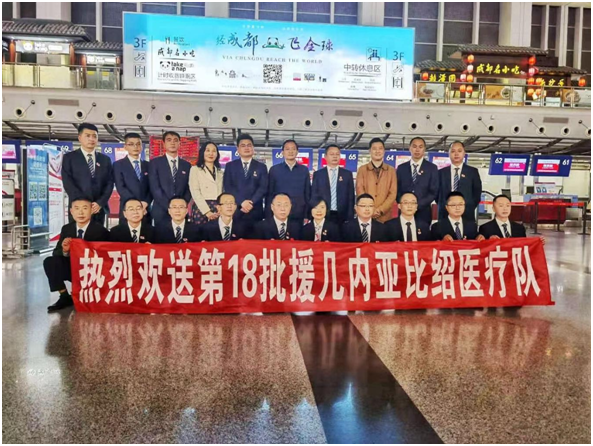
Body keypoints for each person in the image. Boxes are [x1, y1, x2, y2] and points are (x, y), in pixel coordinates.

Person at [43, 197, 110, 312]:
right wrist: (65, 250)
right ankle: (64, 296)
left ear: (92, 210)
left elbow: (107, 256)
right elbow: (56, 252)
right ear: (71, 211)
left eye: (85, 208)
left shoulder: (101, 231)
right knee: (50, 262)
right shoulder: (67, 229)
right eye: (77, 208)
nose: (81, 212)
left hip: (92, 271)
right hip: (72, 268)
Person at [62, 123, 114, 226]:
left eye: (94, 136)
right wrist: (84, 204)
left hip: (98, 209)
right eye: (88, 136)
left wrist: (100, 203)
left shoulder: (105, 160)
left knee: (98, 235)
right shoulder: (69, 158)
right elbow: (68, 182)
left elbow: (109, 183)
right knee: (78, 235)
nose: (91, 139)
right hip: (79, 209)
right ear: (79, 138)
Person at [222, 134, 268, 230]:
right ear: (238, 149)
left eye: (249, 145)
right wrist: (242, 202)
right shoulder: (230, 166)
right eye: (243, 145)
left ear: (253, 148)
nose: (246, 148)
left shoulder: (261, 167)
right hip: (236, 210)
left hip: (256, 211)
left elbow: (263, 187)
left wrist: (251, 202)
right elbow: (228, 186)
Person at [148, 131, 192, 226]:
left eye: (175, 140)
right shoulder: (155, 163)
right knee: (161, 234)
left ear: (179, 144)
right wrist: (170, 207)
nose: (172, 143)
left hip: (181, 211)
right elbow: (155, 187)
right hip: (161, 210)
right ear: (164, 144)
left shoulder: (187, 165)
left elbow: (189, 188)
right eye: (169, 140)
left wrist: (181, 205)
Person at [266, 139, 311, 224]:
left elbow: (307, 193)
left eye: (293, 149)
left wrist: (307, 214)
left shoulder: (304, 170)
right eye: (287, 149)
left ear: (297, 152)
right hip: (279, 213)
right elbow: (269, 194)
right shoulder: (274, 170)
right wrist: (268, 215)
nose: (290, 151)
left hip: (299, 213)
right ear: (282, 152)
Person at [396, 137, 439, 226]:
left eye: (420, 147)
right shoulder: (401, 168)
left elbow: (433, 192)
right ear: (410, 148)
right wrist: (404, 204)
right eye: (414, 146)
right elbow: (396, 189)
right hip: (404, 212)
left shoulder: (432, 168)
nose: (417, 150)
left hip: (424, 212)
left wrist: (416, 205)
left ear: (424, 149)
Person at [355, 138, 397, 223]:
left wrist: (380, 210)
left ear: (384, 151)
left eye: (380, 148)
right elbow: (360, 190)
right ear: (369, 151)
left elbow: (393, 194)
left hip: (385, 216)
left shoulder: (391, 170)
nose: (377, 151)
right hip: (366, 215)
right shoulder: (362, 170)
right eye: (374, 149)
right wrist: (370, 209)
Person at [113, 132, 151, 224]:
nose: (135, 147)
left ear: (141, 147)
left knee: (146, 232)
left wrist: (145, 203)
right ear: (125, 147)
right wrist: (136, 205)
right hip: (127, 208)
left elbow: (152, 187)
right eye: (131, 144)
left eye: (138, 144)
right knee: (126, 232)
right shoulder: (118, 165)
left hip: (145, 209)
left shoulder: (148, 165)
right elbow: (121, 187)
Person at [311, 144, 355, 225]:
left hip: (342, 215)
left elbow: (351, 197)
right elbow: (314, 195)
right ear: (325, 156)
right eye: (332, 154)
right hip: (323, 214)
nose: (335, 156)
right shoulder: (318, 174)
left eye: (337, 154)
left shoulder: (347, 174)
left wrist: (350, 216)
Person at [438, 141, 482, 221]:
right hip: (445, 213)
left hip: (467, 214)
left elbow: (477, 193)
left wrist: (468, 207)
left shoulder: (472, 172)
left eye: (459, 151)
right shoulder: (441, 173)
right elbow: (437, 194)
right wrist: (446, 205)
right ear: (449, 154)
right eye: (453, 151)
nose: (456, 154)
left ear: (464, 153)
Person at [479, 194, 546, 244]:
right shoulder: (485, 228)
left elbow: (524, 247)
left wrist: (536, 244)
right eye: (501, 206)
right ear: (493, 208)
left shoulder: (519, 228)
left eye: (508, 205)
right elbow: (483, 249)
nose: (505, 208)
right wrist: (488, 241)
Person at [189, 141, 224, 225]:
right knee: (201, 231)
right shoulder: (195, 169)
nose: (211, 153)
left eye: (214, 151)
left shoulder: (220, 172)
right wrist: (207, 211)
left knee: (216, 231)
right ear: (202, 152)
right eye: (207, 150)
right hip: (201, 207)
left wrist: (221, 207)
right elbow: (195, 191)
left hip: (218, 208)